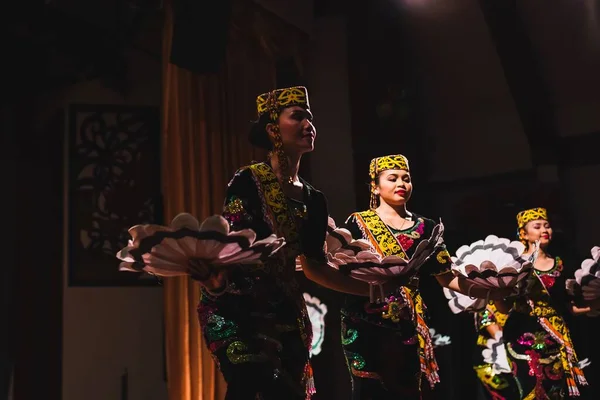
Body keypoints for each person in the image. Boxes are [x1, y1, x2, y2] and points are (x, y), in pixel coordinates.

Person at [196, 86, 367, 399]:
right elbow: (236, 249)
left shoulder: (315, 200)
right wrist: (216, 283)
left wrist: (373, 289)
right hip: (240, 310)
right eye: (298, 116)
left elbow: (315, 269)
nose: (309, 125)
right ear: (273, 129)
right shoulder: (248, 180)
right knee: (253, 383)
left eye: (311, 118)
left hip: (288, 316)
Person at [323, 155, 513, 399]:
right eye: (392, 179)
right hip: (365, 316)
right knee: (370, 388)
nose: (401, 184)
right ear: (375, 186)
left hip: (408, 321)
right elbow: (342, 263)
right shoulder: (358, 222)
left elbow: (447, 277)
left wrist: (488, 290)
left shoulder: (426, 227)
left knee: (408, 388)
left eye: (406, 179)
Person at [502, 207, 589, 399]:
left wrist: (594, 306)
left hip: (556, 338)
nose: (544, 230)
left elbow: (571, 307)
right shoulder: (513, 265)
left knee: (557, 391)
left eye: (547, 226)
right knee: (530, 389)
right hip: (521, 336)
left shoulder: (561, 264)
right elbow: (501, 306)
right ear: (523, 234)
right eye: (537, 226)